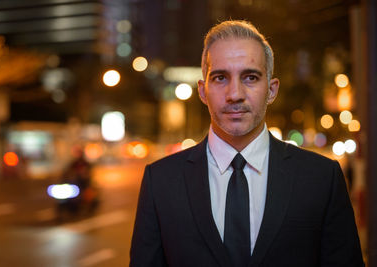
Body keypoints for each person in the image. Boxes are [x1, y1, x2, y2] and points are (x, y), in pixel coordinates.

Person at [130, 20, 364, 267]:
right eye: (220, 78)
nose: (235, 94)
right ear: (202, 91)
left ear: (272, 90)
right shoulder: (161, 182)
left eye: (250, 77)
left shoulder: (322, 179)